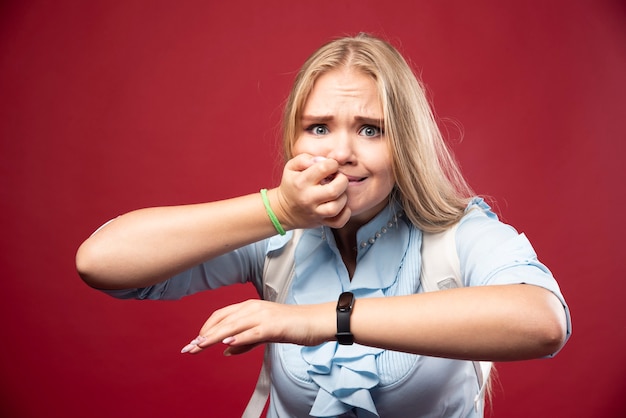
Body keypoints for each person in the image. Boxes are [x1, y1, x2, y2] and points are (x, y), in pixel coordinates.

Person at [76, 33, 571, 417]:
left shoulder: (457, 235)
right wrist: (278, 211)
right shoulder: (277, 240)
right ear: (294, 140)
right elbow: (100, 262)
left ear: (406, 143)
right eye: (318, 128)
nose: (340, 153)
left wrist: (317, 322)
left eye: (370, 129)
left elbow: (542, 322)